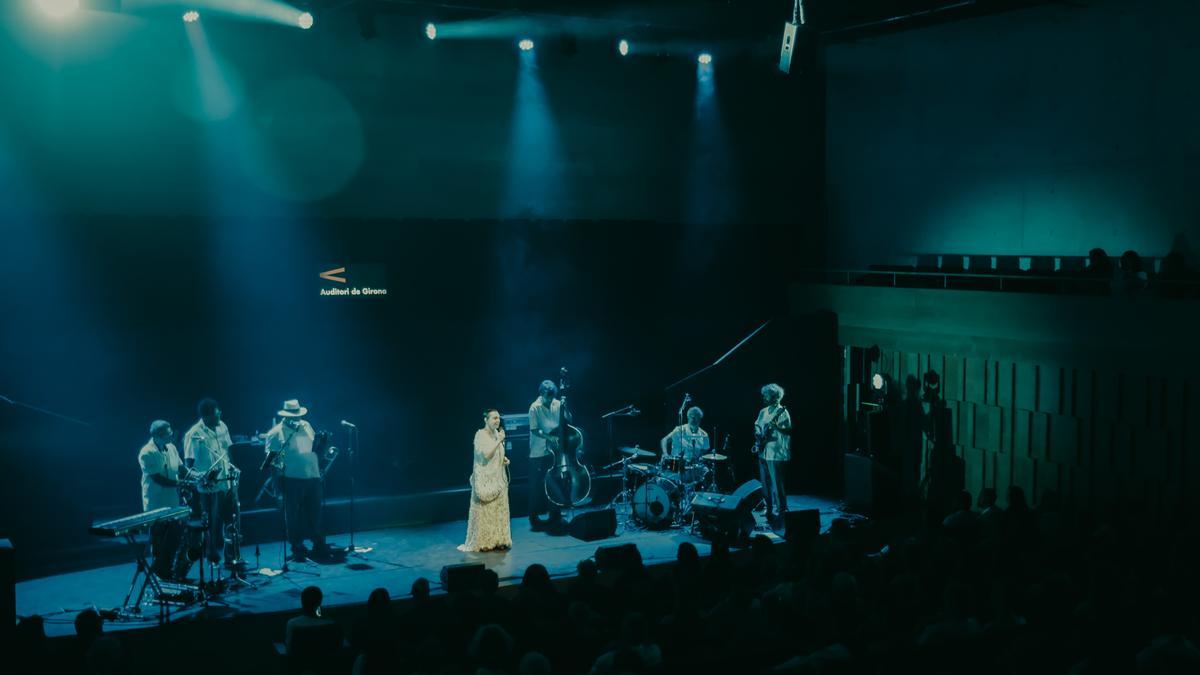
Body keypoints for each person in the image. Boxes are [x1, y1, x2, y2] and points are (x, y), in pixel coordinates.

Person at [264, 399, 332, 563]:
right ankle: (297, 546)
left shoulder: (306, 426)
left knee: (315, 511)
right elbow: (273, 462)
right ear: (286, 416)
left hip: (312, 476)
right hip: (292, 478)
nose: (297, 418)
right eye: (293, 415)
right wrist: (277, 485)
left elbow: (310, 451)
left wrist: (322, 446)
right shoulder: (276, 433)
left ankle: (317, 542)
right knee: (292, 515)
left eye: (298, 415)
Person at [184, 398, 238, 565]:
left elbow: (227, 450)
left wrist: (232, 469)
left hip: (227, 482)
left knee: (232, 519)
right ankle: (212, 554)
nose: (220, 414)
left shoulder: (222, 426)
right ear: (206, 416)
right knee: (213, 523)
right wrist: (200, 478)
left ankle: (232, 557)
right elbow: (189, 463)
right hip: (210, 487)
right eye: (216, 413)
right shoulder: (194, 434)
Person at [459, 409, 512, 552]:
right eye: (494, 418)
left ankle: (499, 540)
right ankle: (485, 541)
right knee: (486, 511)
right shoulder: (480, 435)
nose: (497, 421)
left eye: (498, 418)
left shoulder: (496, 434)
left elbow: (496, 453)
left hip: (498, 478)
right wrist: (499, 440)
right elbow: (487, 454)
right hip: (485, 480)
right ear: (486, 420)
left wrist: (503, 459)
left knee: (499, 510)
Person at [139, 420, 184, 579]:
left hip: (172, 501)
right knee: (158, 540)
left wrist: (195, 476)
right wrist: (181, 483)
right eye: (168, 434)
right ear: (158, 435)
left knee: (173, 538)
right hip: (156, 502)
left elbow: (180, 467)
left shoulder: (171, 447)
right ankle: (159, 574)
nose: (172, 436)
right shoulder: (146, 452)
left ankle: (168, 570)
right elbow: (158, 479)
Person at [527, 380, 564, 530]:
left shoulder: (557, 403)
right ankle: (534, 518)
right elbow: (534, 430)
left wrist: (565, 408)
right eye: (547, 397)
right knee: (536, 486)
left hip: (554, 451)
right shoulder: (534, 408)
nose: (550, 400)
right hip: (538, 452)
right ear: (541, 394)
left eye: (551, 397)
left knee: (553, 483)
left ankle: (555, 515)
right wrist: (549, 437)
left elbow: (567, 420)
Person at [754, 383, 792, 524]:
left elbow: (789, 430)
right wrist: (758, 433)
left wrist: (775, 426)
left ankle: (782, 509)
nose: (764, 396)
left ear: (774, 396)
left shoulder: (782, 411)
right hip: (763, 450)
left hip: (777, 452)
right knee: (765, 482)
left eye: (767, 394)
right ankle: (768, 508)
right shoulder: (763, 411)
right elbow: (757, 424)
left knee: (777, 483)